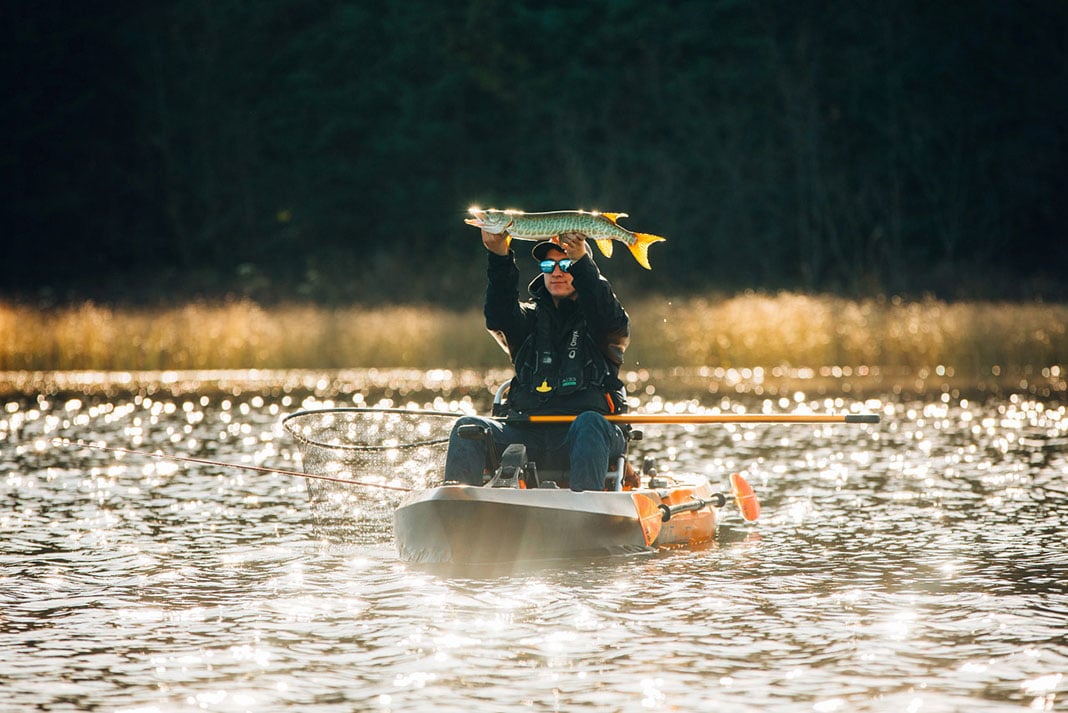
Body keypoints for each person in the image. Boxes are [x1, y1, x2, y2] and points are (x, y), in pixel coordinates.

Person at [444, 228, 631, 491]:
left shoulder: (603, 322)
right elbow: (497, 314)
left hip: (585, 434)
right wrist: (499, 255)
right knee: (468, 427)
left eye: (566, 264)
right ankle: (455, 512)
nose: (557, 272)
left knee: (589, 423)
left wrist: (582, 262)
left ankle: (584, 513)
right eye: (548, 265)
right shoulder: (526, 320)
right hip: (525, 432)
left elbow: (610, 315)